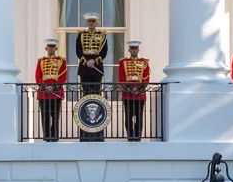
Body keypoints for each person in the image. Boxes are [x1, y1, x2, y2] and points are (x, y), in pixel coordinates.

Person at [75, 15, 110, 143]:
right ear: (86, 22)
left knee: (96, 96)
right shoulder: (81, 35)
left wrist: (95, 61)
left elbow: (104, 51)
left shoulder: (103, 35)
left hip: (96, 67)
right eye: (89, 21)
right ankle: (85, 131)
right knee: (85, 96)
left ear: (97, 23)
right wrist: (85, 61)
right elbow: (78, 50)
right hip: (85, 68)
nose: (91, 23)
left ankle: (97, 131)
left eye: (93, 21)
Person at [34, 38, 69, 141]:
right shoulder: (41, 61)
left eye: (53, 47)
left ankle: (54, 136)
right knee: (45, 115)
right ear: (46, 48)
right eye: (49, 47)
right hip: (44, 93)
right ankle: (46, 135)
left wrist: (53, 87)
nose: (51, 49)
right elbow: (38, 76)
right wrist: (45, 87)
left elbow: (63, 77)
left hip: (56, 92)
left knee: (55, 115)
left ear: (56, 48)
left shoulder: (61, 61)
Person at [118, 40, 151, 141]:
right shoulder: (123, 62)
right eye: (132, 49)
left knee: (139, 116)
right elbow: (121, 77)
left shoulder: (144, 62)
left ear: (138, 50)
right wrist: (129, 89)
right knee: (128, 116)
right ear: (129, 50)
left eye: (136, 49)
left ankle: (138, 135)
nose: (134, 51)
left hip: (139, 94)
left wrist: (140, 89)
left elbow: (146, 77)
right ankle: (130, 135)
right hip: (128, 94)